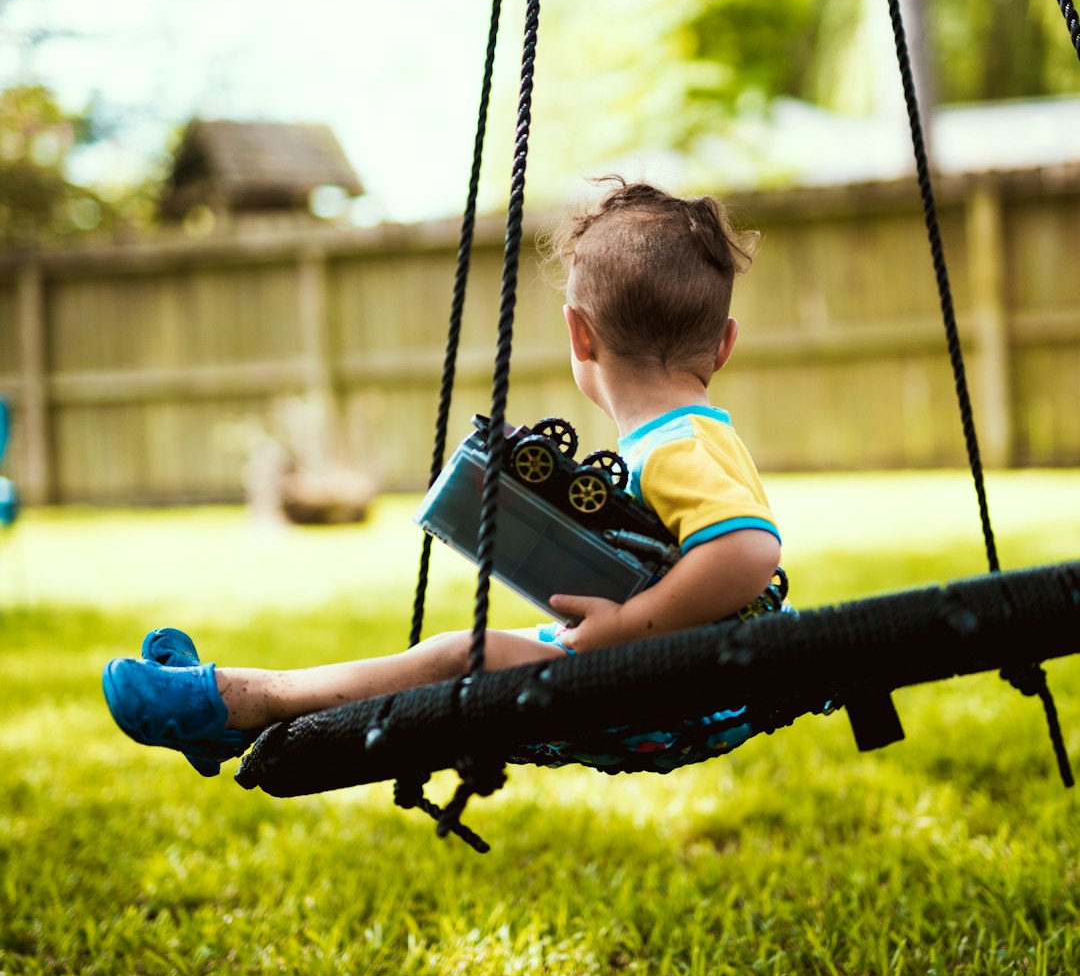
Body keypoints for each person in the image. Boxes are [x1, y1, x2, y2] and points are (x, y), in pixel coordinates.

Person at [103, 178, 784, 776]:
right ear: (725, 343)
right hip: (668, 678)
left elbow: (748, 553)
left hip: (670, 692)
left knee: (455, 657)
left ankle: (235, 701)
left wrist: (625, 628)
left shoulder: (680, 444)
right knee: (455, 653)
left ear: (579, 335)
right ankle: (230, 700)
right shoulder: (680, 441)